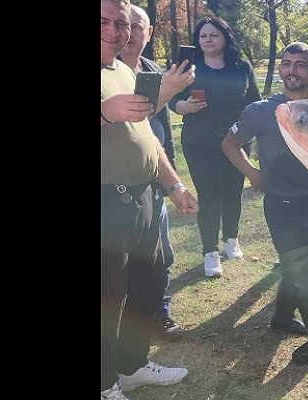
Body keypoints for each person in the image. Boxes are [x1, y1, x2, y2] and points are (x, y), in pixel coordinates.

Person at [101, 0, 199, 400]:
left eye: (121, 23)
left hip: (142, 199)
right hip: (104, 202)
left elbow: (148, 138)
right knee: (107, 299)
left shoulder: (125, 70)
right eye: (103, 22)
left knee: (146, 284)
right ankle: (104, 387)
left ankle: (132, 364)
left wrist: (174, 184)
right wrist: (104, 111)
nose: (114, 31)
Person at [221, 42, 308, 365]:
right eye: (286, 63)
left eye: (300, 64)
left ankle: (282, 318)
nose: (291, 70)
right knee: (305, 273)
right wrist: (253, 175)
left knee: (304, 267)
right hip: (282, 206)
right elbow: (230, 143)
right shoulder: (260, 110)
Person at [169, 16, 262, 278]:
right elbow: (169, 98)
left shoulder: (242, 67)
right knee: (210, 194)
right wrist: (183, 106)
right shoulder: (188, 67)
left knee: (233, 191)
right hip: (200, 141)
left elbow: (255, 101)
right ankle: (210, 252)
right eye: (203, 36)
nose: (208, 40)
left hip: (236, 140)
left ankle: (230, 240)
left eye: (213, 35)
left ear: (225, 38)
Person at [119, 3, 190, 341]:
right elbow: (128, 127)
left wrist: (173, 182)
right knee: (119, 267)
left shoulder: (152, 69)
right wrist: (168, 93)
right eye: (124, 25)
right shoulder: (110, 71)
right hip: (117, 189)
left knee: (160, 256)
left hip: (152, 184)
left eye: (138, 26)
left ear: (149, 34)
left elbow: (156, 134)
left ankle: (157, 316)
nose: (130, 33)